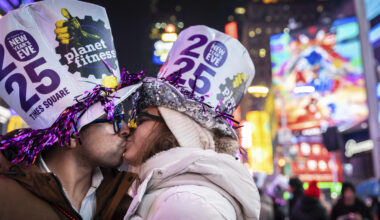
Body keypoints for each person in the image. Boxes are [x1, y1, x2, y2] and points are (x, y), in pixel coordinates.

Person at [0, 0, 143, 219]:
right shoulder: (7, 200)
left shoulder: (127, 202)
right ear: (70, 137)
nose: (125, 129)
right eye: (112, 118)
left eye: (121, 116)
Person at [122, 25, 260, 220]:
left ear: (175, 128)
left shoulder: (186, 204)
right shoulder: (180, 196)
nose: (128, 128)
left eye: (141, 120)